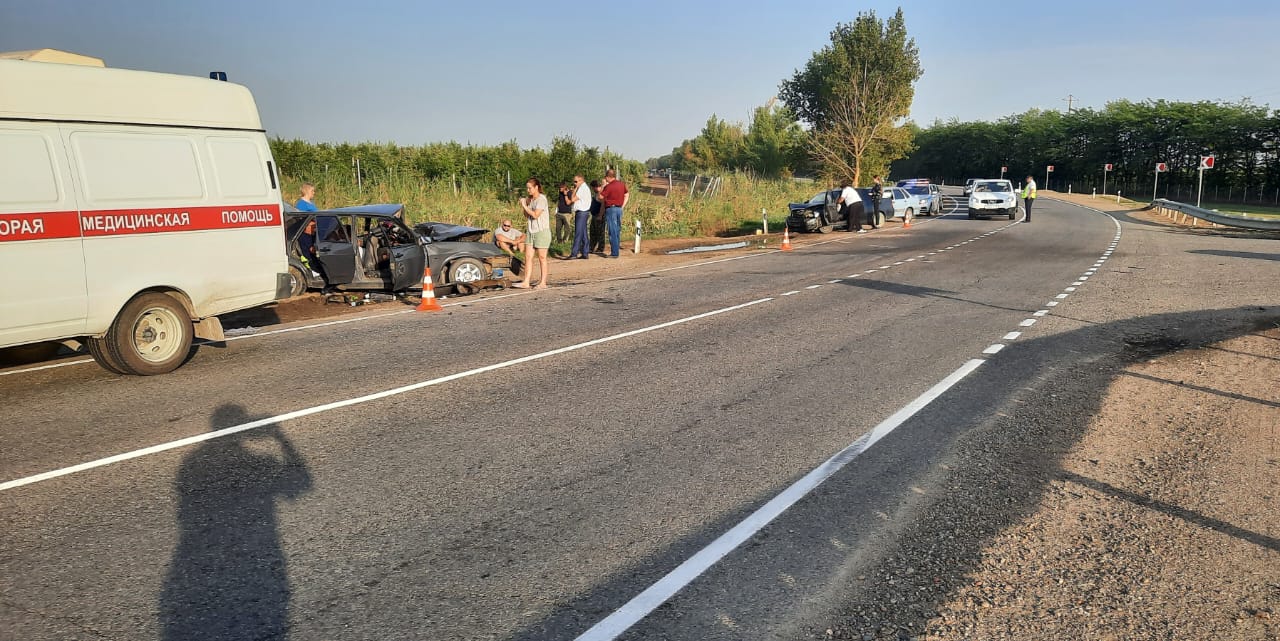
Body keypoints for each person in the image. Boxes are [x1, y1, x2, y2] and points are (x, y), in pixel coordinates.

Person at [513, 178, 551, 289]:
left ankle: (543, 282)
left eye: (530, 188)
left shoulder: (541, 200)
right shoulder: (531, 200)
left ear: (536, 187)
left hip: (541, 231)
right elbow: (527, 215)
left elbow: (535, 215)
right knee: (528, 256)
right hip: (531, 231)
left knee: (542, 257)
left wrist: (525, 206)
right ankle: (526, 281)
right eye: (527, 188)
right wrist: (524, 205)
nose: (528, 190)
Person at [600, 169, 629, 258]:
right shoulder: (621, 184)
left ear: (608, 177)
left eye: (606, 177)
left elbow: (600, 197)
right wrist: (622, 206)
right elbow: (627, 194)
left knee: (612, 230)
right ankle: (617, 248)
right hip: (619, 209)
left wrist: (603, 186)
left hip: (611, 209)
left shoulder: (608, 187)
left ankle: (615, 253)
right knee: (617, 230)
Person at [567, 174, 592, 259]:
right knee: (583, 233)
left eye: (576, 181)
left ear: (581, 180)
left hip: (582, 212)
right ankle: (585, 252)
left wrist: (575, 189)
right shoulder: (583, 188)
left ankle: (574, 253)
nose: (574, 183)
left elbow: (572, 199)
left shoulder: (582, 188)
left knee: (578, 232)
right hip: (583, 212)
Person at [588, 180, 605, 254]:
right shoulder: (596, 194)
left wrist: (600, 215)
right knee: (593, 231)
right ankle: (592, 247)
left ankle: (600, 248)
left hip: (599, 215)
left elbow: (603, 205)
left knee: (600, 232)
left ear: (596, 187)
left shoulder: (601, 195)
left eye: (593, 188)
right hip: (594, 215)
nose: (593, 189)